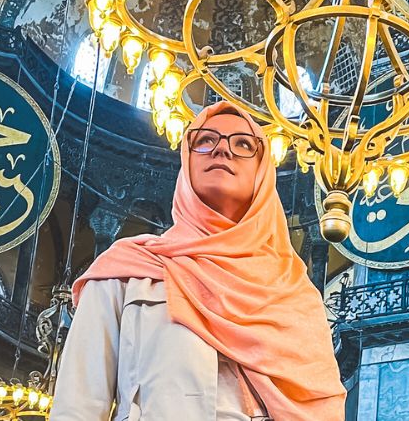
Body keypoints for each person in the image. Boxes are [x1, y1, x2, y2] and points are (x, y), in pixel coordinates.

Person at [50, 102, 346, 420]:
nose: (222, 150)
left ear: (262, 172)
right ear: (187, 161)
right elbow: (77, 407)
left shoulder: (297, 297)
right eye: (205, 140)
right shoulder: (126, 273)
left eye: (243, 144)